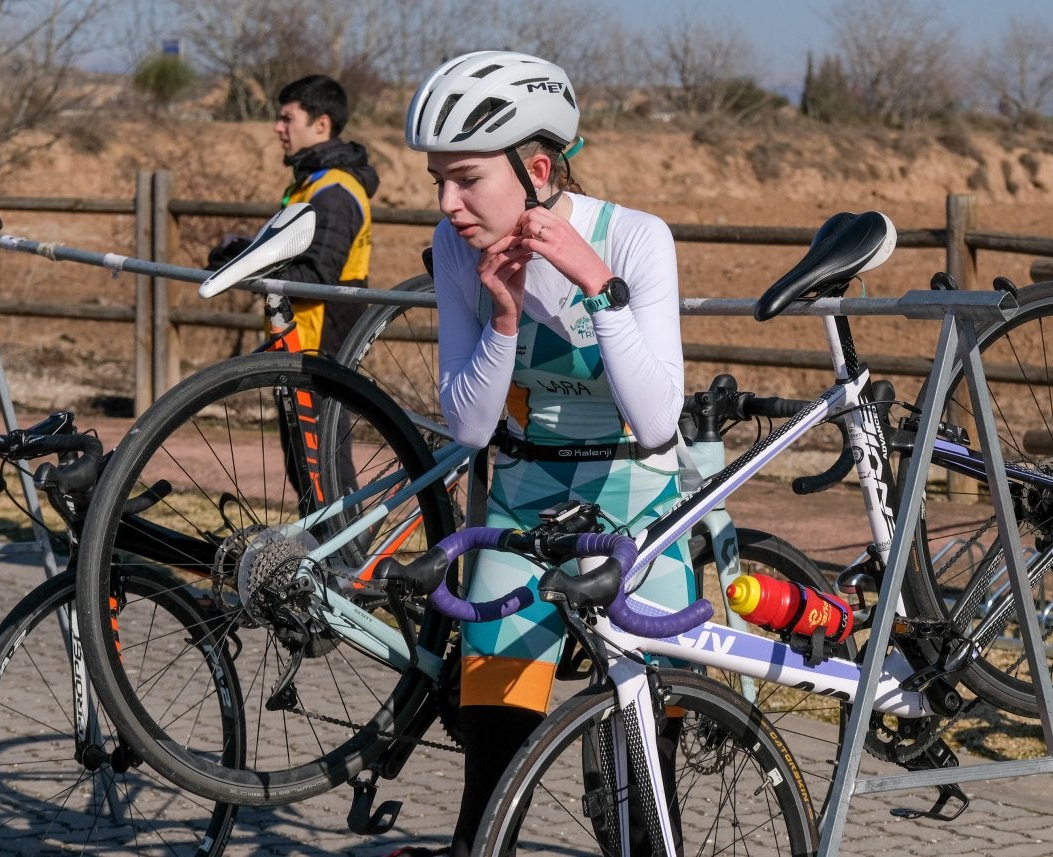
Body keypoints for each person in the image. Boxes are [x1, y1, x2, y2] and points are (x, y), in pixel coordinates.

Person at [404, 50, 694, 857]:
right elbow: (466, 425)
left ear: (537, 167)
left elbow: (655, 421)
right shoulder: (457, 247)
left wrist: (599, 288)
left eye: (466, 178)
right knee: (488, 776)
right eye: (437, 180)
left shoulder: (635, 237)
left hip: (643, 509)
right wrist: (501, 316)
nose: (447, 203)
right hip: (523, 506)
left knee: (643, 789)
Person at [207, 73, 379, 357]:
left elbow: (315, 279)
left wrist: (245, 268)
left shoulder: (334, 192)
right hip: (299, 342)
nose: (277, 128)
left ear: (322, 124)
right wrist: (244, 252)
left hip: (318, 353)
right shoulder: (314, 182)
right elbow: (298, 254)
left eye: (288, 118)